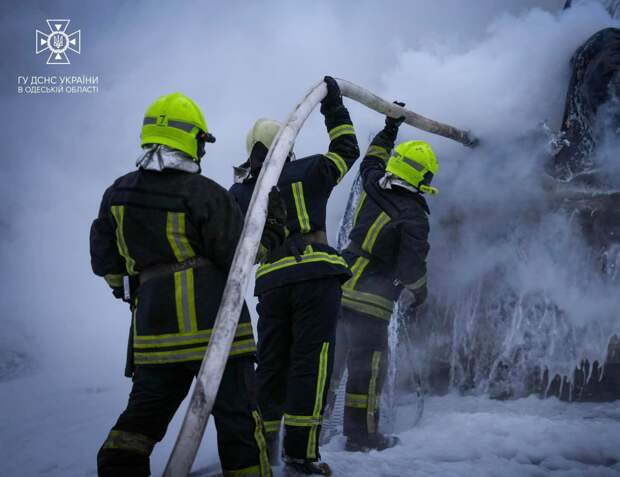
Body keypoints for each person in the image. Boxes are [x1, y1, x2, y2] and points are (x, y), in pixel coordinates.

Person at [91, 92, 284, 477]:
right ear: (191, 139)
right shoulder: (204, 193)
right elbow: (239, 257)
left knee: (138, 425)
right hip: (218, 332)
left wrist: (135, 292)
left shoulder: (117, 194)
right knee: (240, 424)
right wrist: (274, 229)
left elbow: (107, 265)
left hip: (153, 335)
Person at [229, 76, 360, 475]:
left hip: (272, 285)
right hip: (316, 278)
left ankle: (263, 453)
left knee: (270, 366)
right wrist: (332, 105)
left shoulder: (237, 195)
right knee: (311, 364)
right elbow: (347, 148)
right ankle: (301, 457)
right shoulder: (313, 169)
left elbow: (235, 250)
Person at [332, 104, 438, 452]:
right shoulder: (415, 217)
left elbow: (371, 159)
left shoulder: (373, 185)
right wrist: (420, 295)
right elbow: (411, 271)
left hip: (339, 286)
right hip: (371, 303)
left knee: (329, 368)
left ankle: (306, 433)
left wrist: (390, 127)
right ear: (423, 178)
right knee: (368, 371)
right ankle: (361, 438)